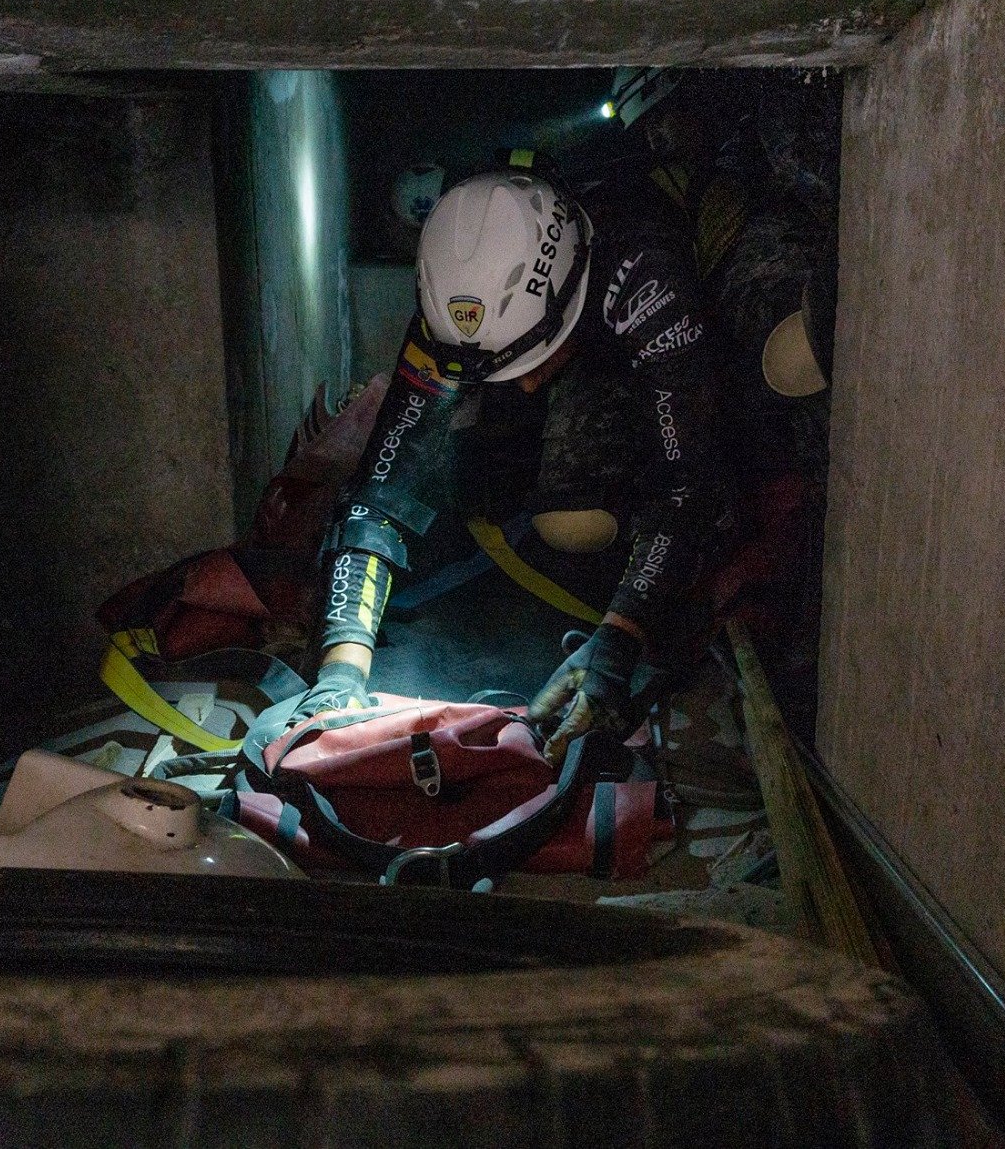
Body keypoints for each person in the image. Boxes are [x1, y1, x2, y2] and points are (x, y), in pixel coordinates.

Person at [304, 153, 727, 764]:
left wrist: (619, 639)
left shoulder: (648, 280)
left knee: (577, 522)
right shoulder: (456, 303)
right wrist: (341, 668)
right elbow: (386, 484)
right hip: (554, 334)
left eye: (529, 367)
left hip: (627, 359)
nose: (525, 387)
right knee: (472, 473)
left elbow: (686, 486)